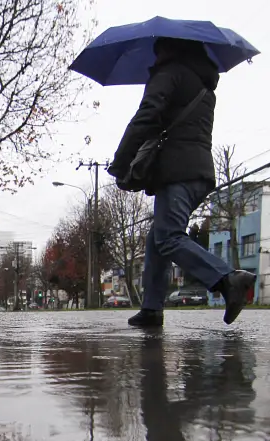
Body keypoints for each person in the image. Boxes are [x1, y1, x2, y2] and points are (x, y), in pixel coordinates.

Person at [108, 37, 255, 328]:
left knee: (168, 237)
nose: (154, 55)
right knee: (156, 240)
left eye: (157, 49)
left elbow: (147, 116)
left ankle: (228, 279)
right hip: (199, 171)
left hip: (178, 171)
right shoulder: (203, 85)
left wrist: (122, 161)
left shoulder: (170, 74)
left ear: (168, 48)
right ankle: (151, 308)